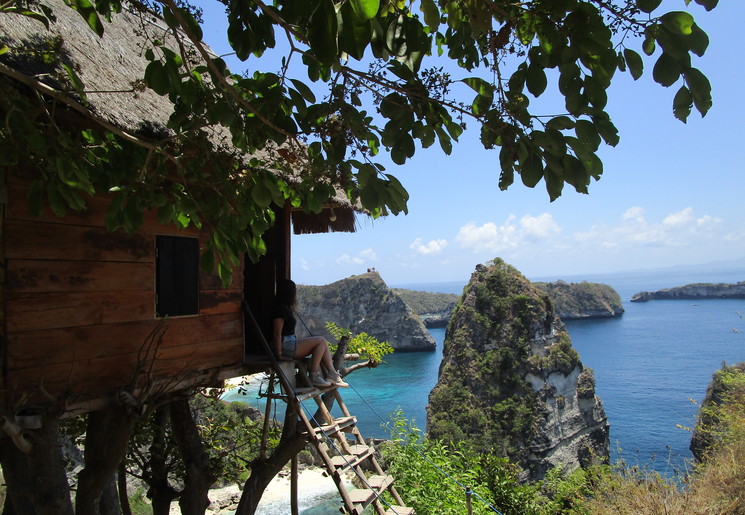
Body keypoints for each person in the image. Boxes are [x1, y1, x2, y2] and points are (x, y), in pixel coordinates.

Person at [272, 279, 348, 388]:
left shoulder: (285, 308)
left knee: (323, 343)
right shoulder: (280, 309)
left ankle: (332, 374)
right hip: (285, 345)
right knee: (321, 341)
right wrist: (278, 354)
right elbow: (277, 333)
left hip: (289, 343)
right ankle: (314, 375)